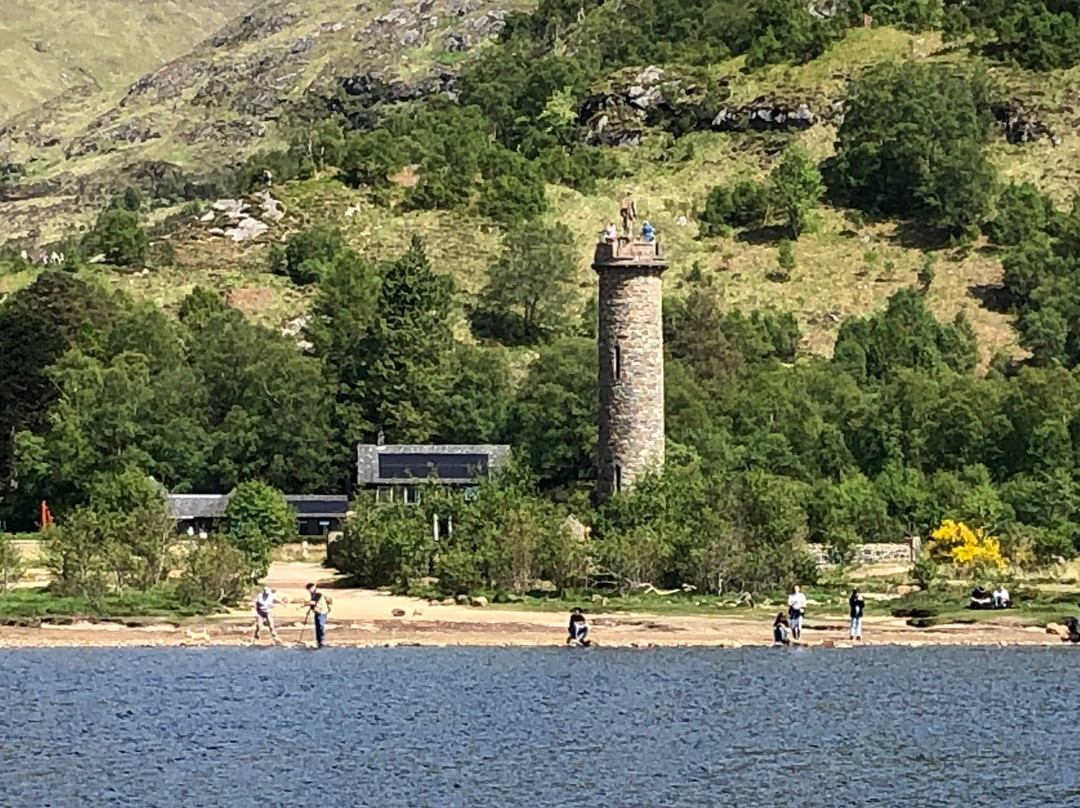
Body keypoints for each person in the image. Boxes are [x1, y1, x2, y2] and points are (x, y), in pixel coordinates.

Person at [303, 582, 331, 648]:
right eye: (308, 589)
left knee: (321, 626)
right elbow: (313, 604)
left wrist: (303, 605)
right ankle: (319, 642)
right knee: (317, 627)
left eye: (310, 589)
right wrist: (310, 609)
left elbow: (313, 602)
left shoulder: (318, 593)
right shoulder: (313, 594)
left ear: (313, 588)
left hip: (322, 612)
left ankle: (322, 641)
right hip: (317, 612)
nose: (309, 590)